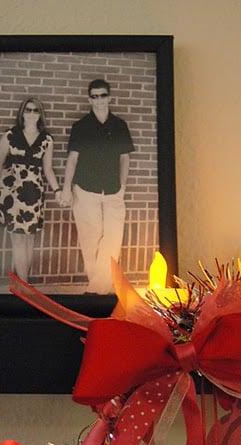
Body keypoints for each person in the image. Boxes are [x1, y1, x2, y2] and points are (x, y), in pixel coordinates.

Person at [60, 79, 135, 294]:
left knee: (112, 239)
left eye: (103, 95)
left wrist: (122, 186)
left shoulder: (120, 126)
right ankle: (100, 289)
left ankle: (96, 289)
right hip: (85, 189)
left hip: (113, 190)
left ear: (109, 97)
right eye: (94, 96)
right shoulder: (81, 127)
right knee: (90, 239)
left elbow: (125, 159)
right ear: (89, 99)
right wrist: (66, 188)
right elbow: (72, 159)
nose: (99, 100)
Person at [0, 97, 62, 282]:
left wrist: (57, 190)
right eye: (28, 110)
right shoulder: (10, 135)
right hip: (12, 194)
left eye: (35, 110)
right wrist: (7, 185)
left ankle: (24, 281)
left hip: (33, 194)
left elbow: (47, 169)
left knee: (29, 238)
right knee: (18, 238)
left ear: (40, 114)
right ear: (22, 113)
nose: (31, 114)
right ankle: (23, 285)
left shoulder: (47, 140)